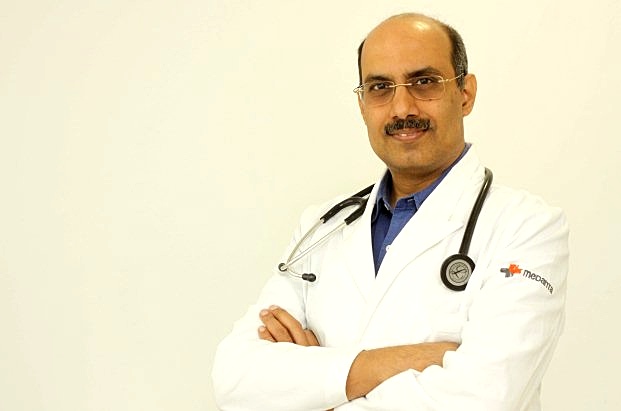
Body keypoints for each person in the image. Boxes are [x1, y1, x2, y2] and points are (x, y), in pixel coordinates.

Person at [212, 12, 569, 411]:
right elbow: (234, 379)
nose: (401, 107)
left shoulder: (528, 228)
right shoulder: (321, 227)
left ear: (465, 94)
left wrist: (313, 390)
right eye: (380, 87)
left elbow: (484, 397)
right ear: (363, 104)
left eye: (424, 82)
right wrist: (397, 361)